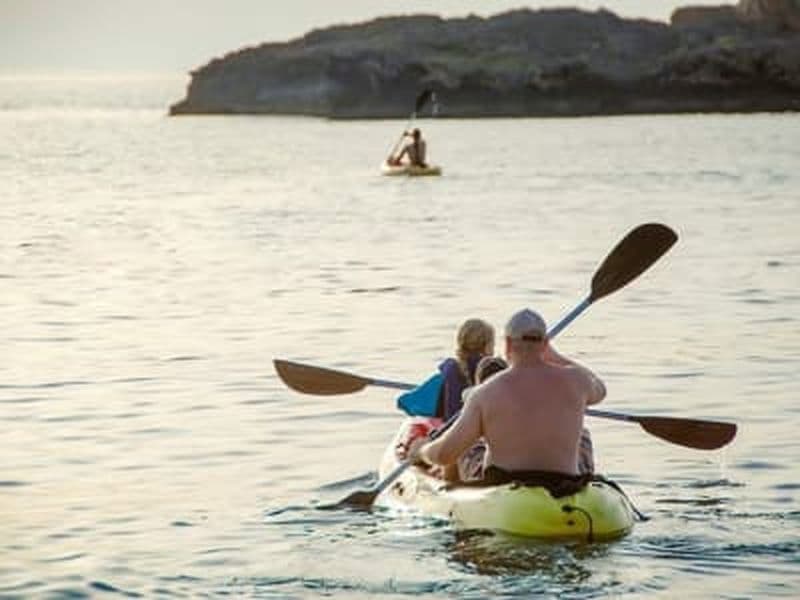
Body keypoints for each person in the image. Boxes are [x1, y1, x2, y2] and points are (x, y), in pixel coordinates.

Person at [413, 308, 606, 497]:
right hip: (565, 484)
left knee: (466, 444)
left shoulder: (485, 392)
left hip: (504, 489)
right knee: (582, 433)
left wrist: (422, 451)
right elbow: (600, 388)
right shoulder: (577, 380)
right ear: (545, 344)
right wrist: (553, 356)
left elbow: (445, 454)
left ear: (506, 344)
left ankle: (449, 492)